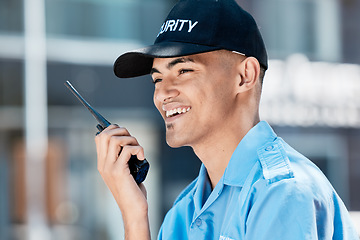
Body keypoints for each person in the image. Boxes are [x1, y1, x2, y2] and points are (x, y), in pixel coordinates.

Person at [95, 0, 359, 239]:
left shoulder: (282, 192)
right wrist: (134, 216)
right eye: (158, 78)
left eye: (184, 70)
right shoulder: (184, 212)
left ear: (245, 76)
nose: (162, 93)